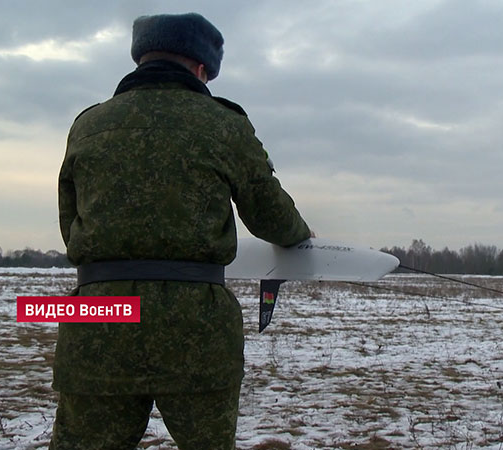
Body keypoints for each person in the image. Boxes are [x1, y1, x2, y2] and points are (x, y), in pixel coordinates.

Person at [50, 13, 311, 449]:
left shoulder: (88, 125)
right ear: (201, 68)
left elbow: (70, 219)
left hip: (97, 319)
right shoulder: (223, 123)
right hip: (196, 325)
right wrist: (301, 234)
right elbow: (270, 215)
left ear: (141, 58)